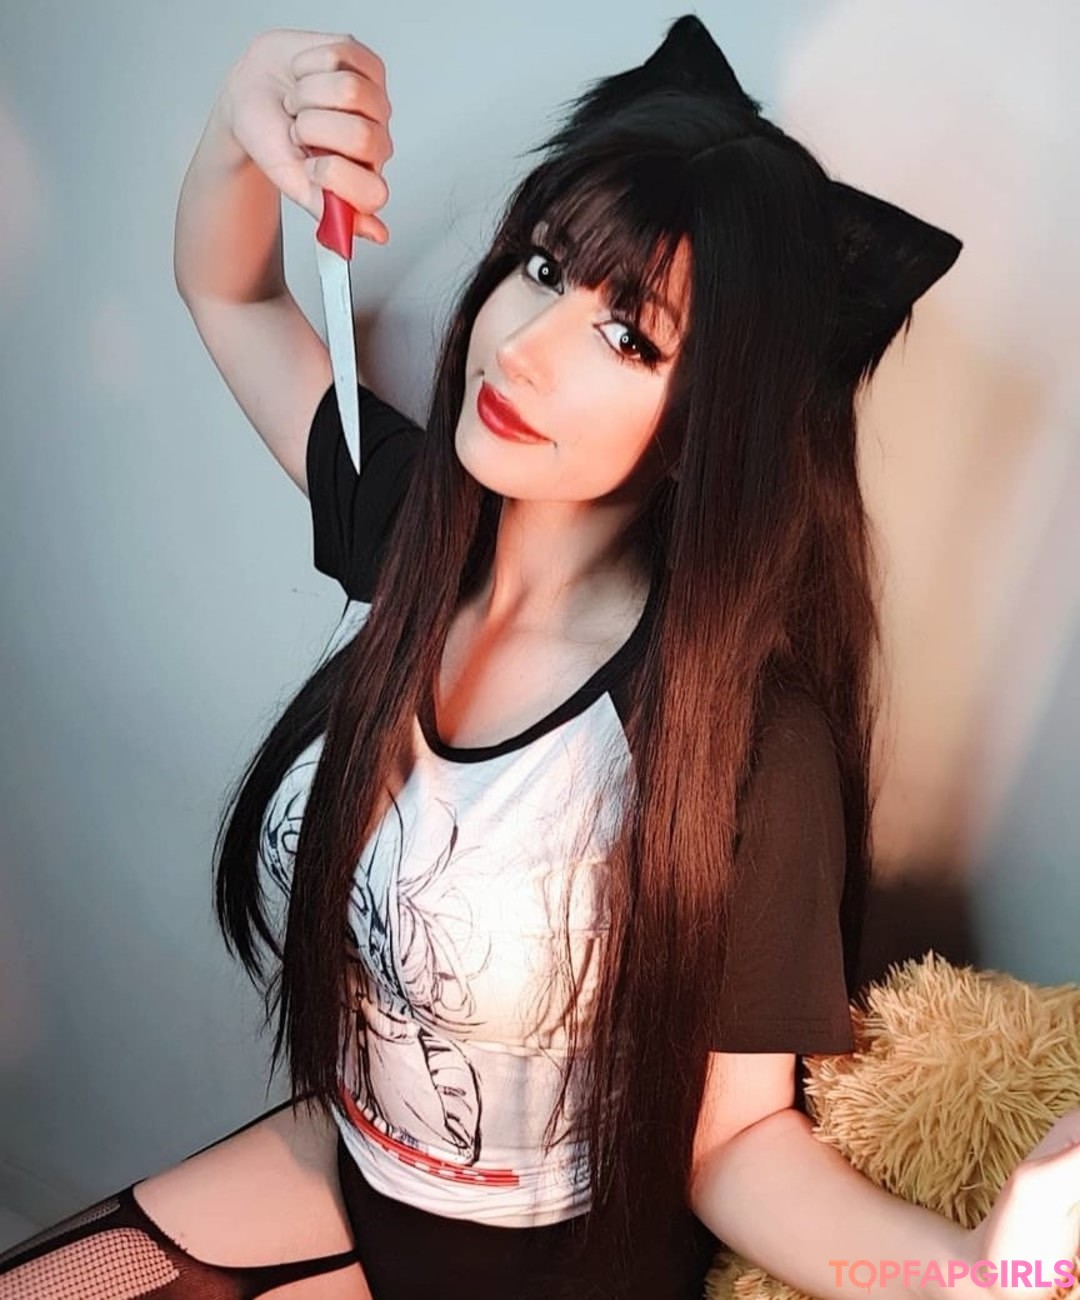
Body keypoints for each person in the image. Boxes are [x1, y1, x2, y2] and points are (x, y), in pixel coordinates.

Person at [4, 14, 1079, 1300]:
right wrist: (246, 107)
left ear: (711, 425)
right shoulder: (410, 526)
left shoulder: (736, 739)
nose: (523, 344)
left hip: (551, 1268)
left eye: (631, 336)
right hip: (348, 1164)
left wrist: (971, 1275)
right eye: (543, 264)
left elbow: (735, 1145)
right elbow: (230, 293)